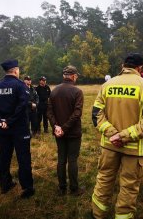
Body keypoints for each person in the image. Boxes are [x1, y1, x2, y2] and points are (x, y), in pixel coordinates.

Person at [91, 53, 143, 219]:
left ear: (123, 65)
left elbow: (96, 114)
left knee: (104, 179)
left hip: (109, 145)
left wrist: (113, 135)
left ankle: (97, 214)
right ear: (140, 67)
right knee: (129, 186)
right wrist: (124, 136)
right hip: (135, 149)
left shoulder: (107, 85)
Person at [0, 59, 35, 198]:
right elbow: (22, 106)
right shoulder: (20, 85)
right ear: (15, 70)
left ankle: (5, 184)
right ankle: (27, 188)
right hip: (19, 128)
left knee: (4, 157)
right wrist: (9, 121)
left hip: (3, 128)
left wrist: (0, 121)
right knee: (23, 158)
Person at [47, 65, 84, 196]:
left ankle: (62, 188)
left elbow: (49, 111)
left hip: (59, 132)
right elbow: (77, 113)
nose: (77, 78)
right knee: (72, 160)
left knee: (61, 159)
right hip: (73, 132)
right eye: (76, 76)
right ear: (73, 76)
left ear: (64, 76)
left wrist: (56, 127)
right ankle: (74, 189)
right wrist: (63, 128)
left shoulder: (54, 91)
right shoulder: (77, 91)